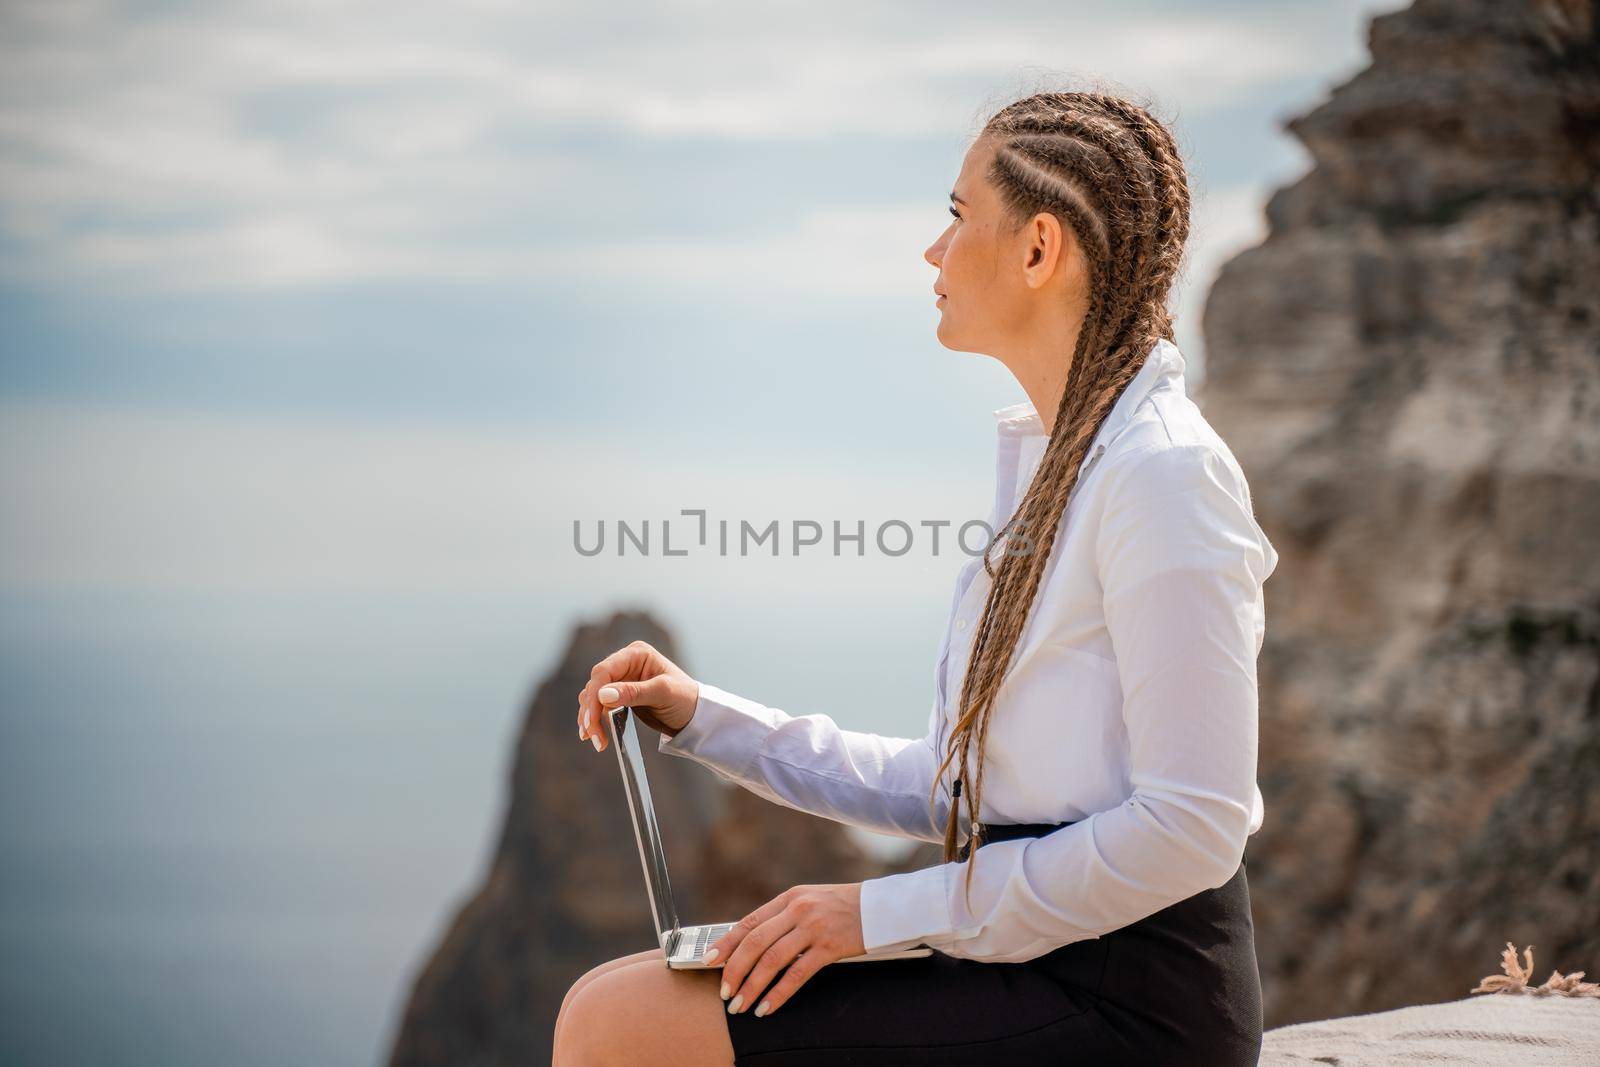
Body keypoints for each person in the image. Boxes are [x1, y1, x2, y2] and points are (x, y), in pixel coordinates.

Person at [553, 89, 1278, 1066]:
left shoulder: (1162, 473)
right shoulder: (1073, 463)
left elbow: (1194, 826)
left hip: (1128, 1004)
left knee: (624, 1022)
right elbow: (960, 791)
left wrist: (875, 912)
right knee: (607, 996)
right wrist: (702, 718)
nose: (931, 254)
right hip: (1036, 958)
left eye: (955, 216)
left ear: (1037, 249)